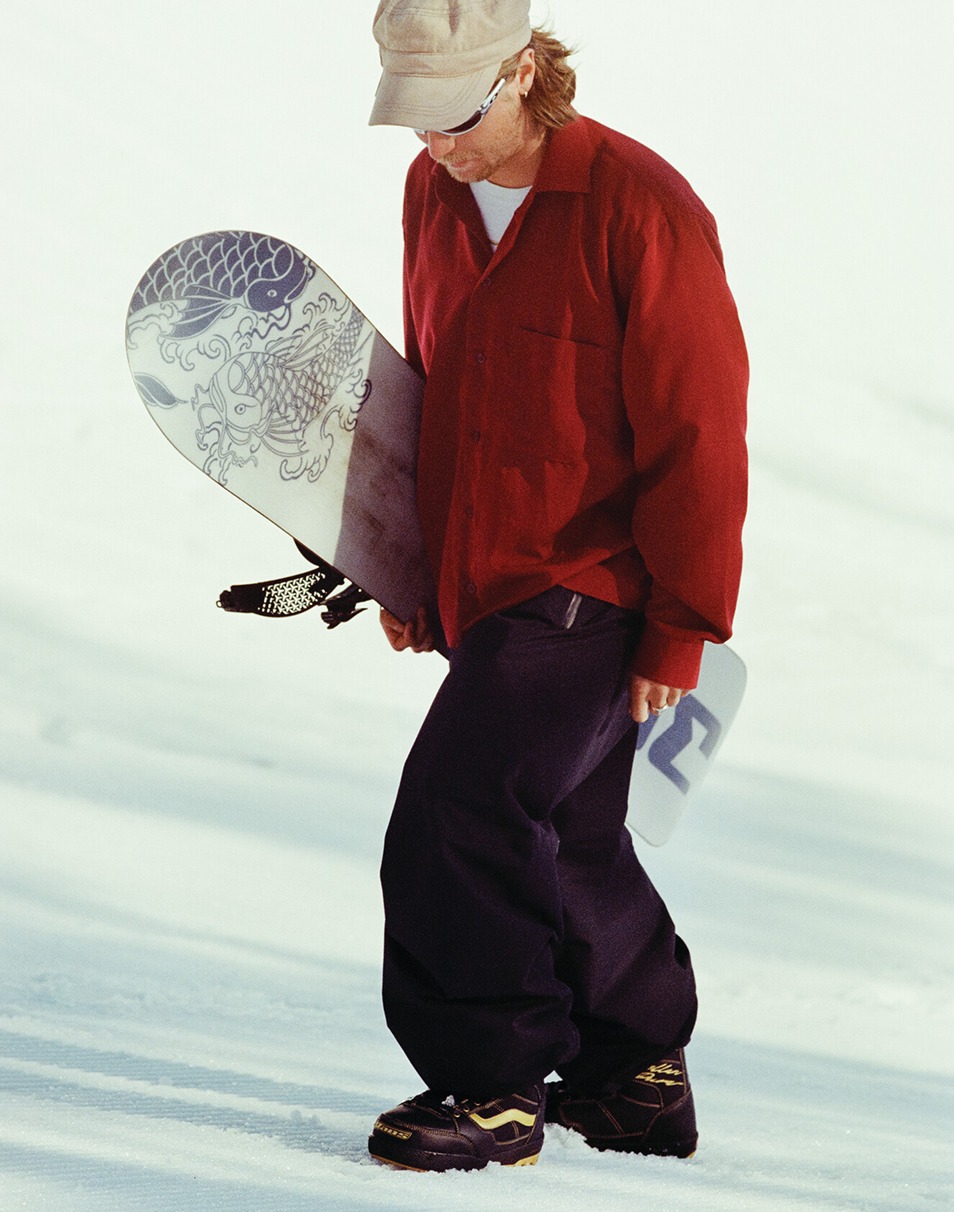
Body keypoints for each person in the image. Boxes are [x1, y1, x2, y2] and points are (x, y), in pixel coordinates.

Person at [365, 0, 748, 1173]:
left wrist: (682, 627)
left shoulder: (641, 207)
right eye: (415, 119)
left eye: (456, 114)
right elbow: (434, 386)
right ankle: (635, 1079)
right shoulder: (435, 194)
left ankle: (490, 1089)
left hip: (593, 583)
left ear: (526, 71)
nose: (437, 143)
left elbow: (700, 432)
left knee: (458, 817)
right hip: (483, 585)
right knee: (570, 835)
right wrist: (409, 563)